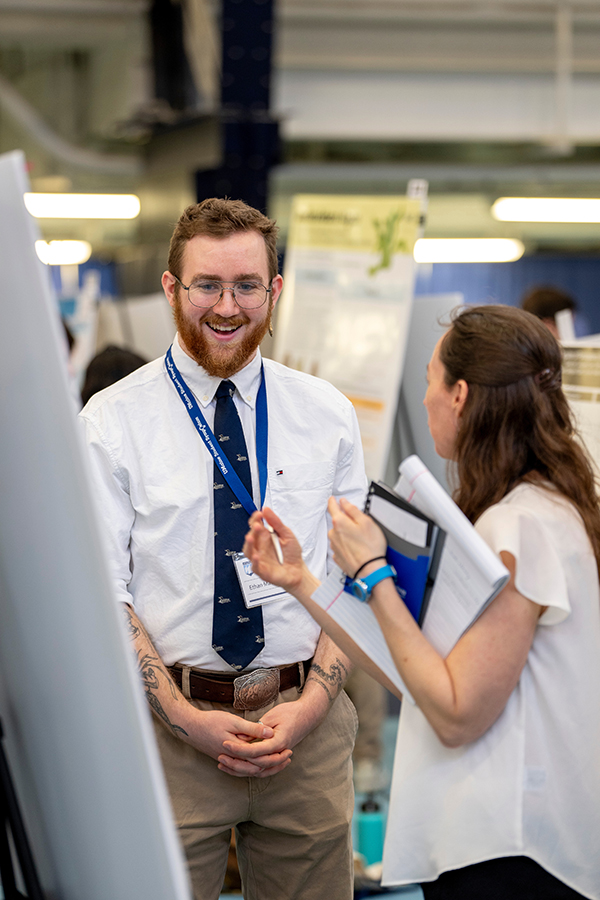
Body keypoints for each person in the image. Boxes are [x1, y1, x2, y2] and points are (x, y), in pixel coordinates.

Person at [244, 304, 600, 900]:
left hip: (510, 855)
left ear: (460, 394)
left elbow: (457, 713)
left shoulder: (522, 527)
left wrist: (374, 569)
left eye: (432, 378)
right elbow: (416, 673)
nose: (427, 394)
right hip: (484, 844)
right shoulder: (517, 515)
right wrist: (302, 581)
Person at [79, 198, 367, 900]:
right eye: (207, 285)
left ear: (275, 290)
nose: (228, 306)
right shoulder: (112, 423)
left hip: (307, 727)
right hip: (169, 734)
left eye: (246, 285)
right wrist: (181, 716)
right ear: (172, 288)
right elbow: (103, 592)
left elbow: (353, 579)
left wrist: (308, 709)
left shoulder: (326, 414)